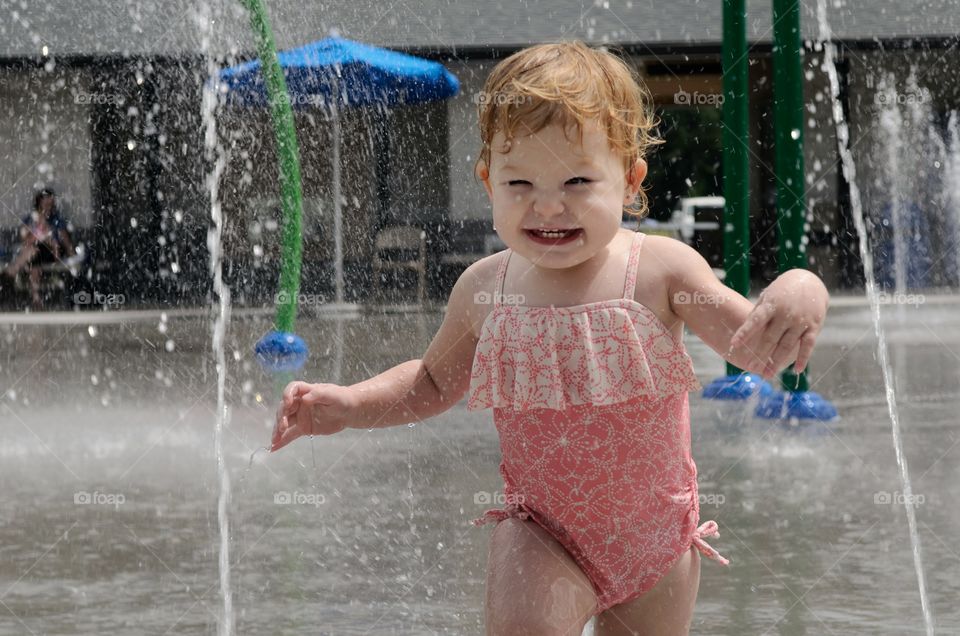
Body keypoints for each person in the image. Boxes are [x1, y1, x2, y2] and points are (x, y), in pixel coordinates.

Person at [271, 41, 830, 635]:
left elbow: (751, 345)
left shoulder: (664, 271)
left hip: (656, 544)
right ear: (488, 181)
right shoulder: (485, 287)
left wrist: (802, 287)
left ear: (631, 179)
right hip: (542, 530)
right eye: (519, 183)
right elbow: (433, 381)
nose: (547, 205)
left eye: (577, 180)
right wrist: (353, 404)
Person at [2, 188, 75, 308]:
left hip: (52, 252)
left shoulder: (56, 219)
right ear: (39, 202)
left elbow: (64, 239)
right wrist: (34, 230)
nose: (48, 204)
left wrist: (71, 254)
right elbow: (24, 239)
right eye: (45, 201)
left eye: (50, 201)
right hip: (34, 252)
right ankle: (36, 298)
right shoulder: (31, 218)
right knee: (33, 257)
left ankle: (13, 270)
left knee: (34, 252)